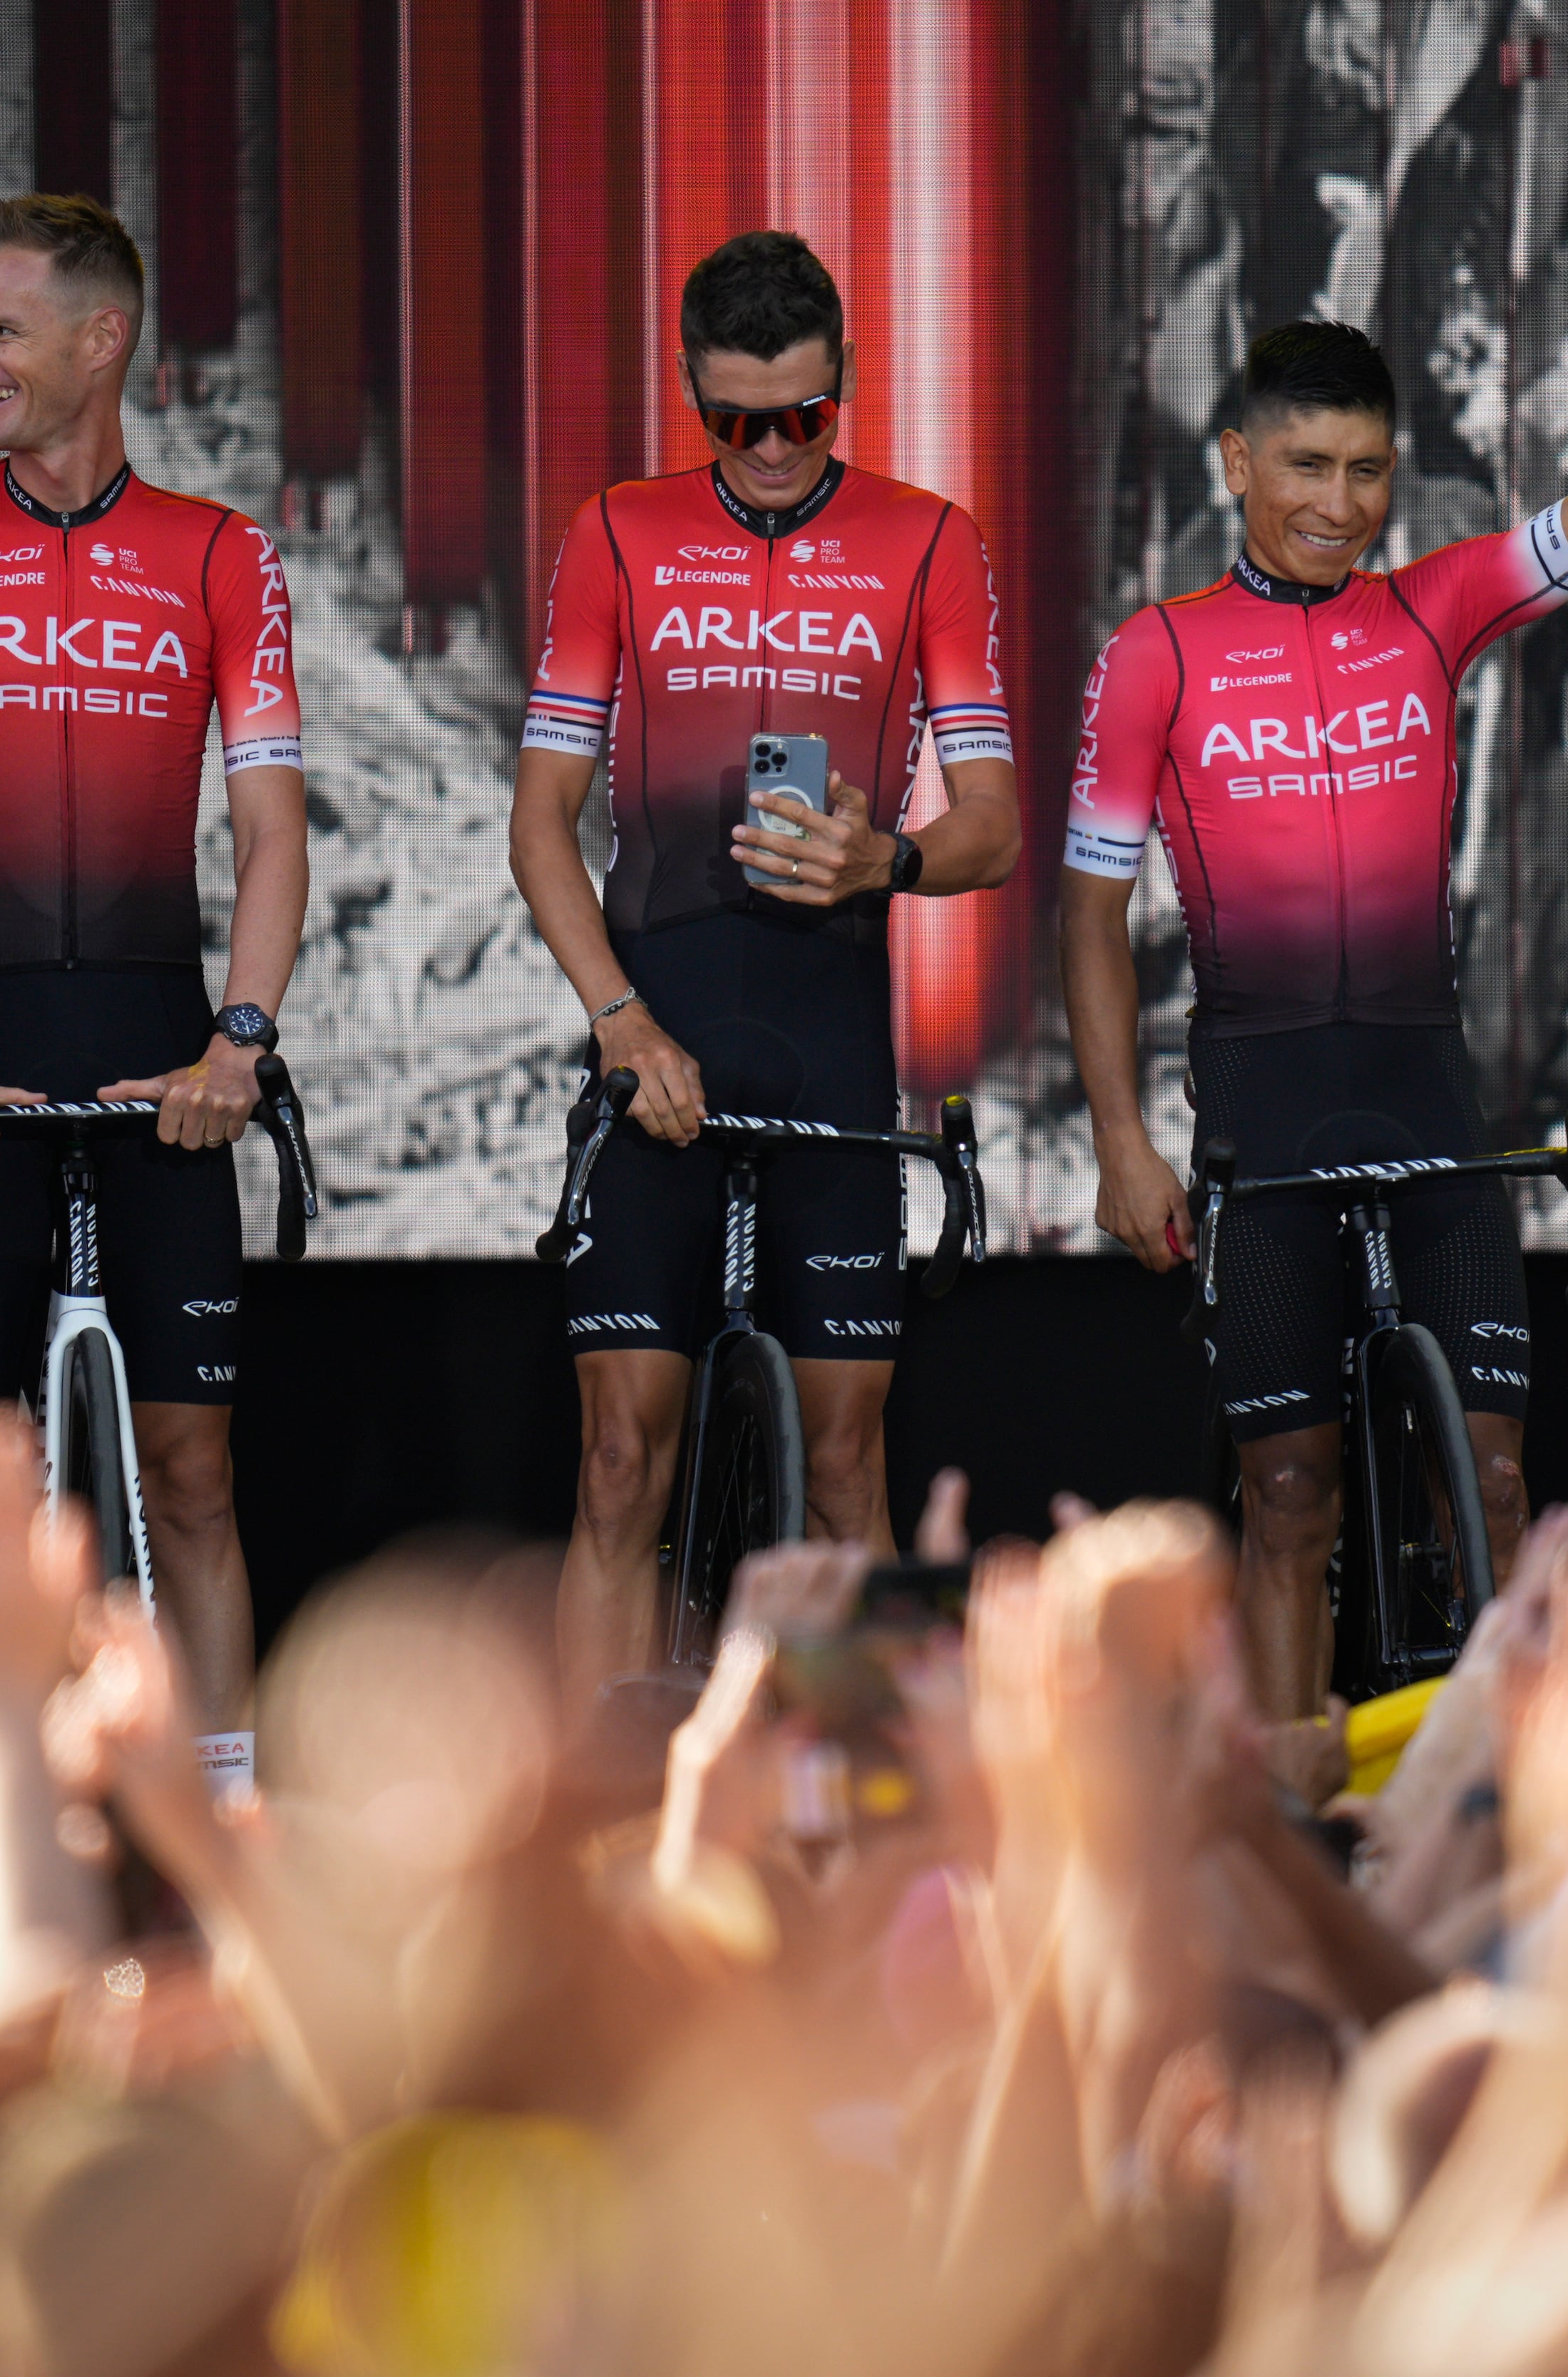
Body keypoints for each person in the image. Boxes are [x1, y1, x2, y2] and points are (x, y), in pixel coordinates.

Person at [1058, 131, 1568, 1724]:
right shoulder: (1155, 657)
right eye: (1305, 467)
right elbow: (1092, 913)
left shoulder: (1430, 606)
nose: (1338, 504)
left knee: (1501, 1494)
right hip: (1263, 1120)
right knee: (1291, 1499)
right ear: (1235, 464)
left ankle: (1515, 1814)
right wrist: (1121, 1140)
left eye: (1366, 471)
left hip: (1426, 1110)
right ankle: (1298, 1820)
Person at [0, 193, 306, 1769]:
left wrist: (238, 1039)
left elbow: (273, 825)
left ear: (102, 342)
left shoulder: (224, 554)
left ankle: (227, 1809)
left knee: (197, 1470)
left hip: (161, 1046)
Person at [508, 228, 1020, 1696]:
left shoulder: (929, 538)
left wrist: (889, 860)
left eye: (804, 415)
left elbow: (988, 823)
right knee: (619, 1465)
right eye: (735, 422)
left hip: (830, 1039)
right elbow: (540, 823)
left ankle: (893, 1833)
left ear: (843, 381)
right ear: (691, 391)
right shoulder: (615, 531)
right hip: (654, 1029)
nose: (774, 448)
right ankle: (594, 1833)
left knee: (852, 1461)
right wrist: (618, 1020)